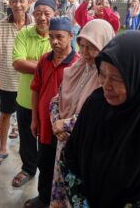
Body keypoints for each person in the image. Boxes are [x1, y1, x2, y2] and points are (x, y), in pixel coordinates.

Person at [62, 30, 140, 207]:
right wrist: (82, 204)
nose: (106, 85)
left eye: (115, 78)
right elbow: (69, 158)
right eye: (102, 74)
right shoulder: (96, 104)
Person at [49, 19, 115, 208]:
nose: (85, 53)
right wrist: (57, 122)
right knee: (61, 193)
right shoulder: (77, 69)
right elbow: (56, 100)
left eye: (92, 47)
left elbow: (102, 115)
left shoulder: (108, 77)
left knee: (78, 195)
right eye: (82, 45)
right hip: (64, 143)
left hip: (86, 148)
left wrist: (67, 124)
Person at [29, 17, 79, 208]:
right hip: (44, 125)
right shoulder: (44, 60)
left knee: (63, 167)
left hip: (64, 129)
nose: (54, 42)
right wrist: (34, 119)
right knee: (44, 162)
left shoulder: (77, 63)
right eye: (51, 37)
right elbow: (36, 89)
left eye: (59, 37)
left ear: (70, 36)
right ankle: (43, 198)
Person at [12, 0, 55, 191]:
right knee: (27, 139)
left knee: (48, 142)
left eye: (47, 13)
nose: (42, 18)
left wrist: (32, 65)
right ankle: (28, 169)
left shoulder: (59, 35)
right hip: (25, 99)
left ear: (54, 15)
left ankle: (49, 176)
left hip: (50, 103)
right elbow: (18, 63)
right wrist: (48, 66)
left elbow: (67, 63)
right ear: (33, 14)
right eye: (38, 13)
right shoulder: (24, 34)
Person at [0, 0, 33, 167]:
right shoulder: (0, 26)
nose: (18, 4)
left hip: (29, 82)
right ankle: (3, 147)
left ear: (28, 2)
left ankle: (26, 151)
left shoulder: (34, 26)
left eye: (21, 1)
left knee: (27, 118)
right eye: (14, 1)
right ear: (9, 3)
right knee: (5, 114)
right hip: (7, 80)